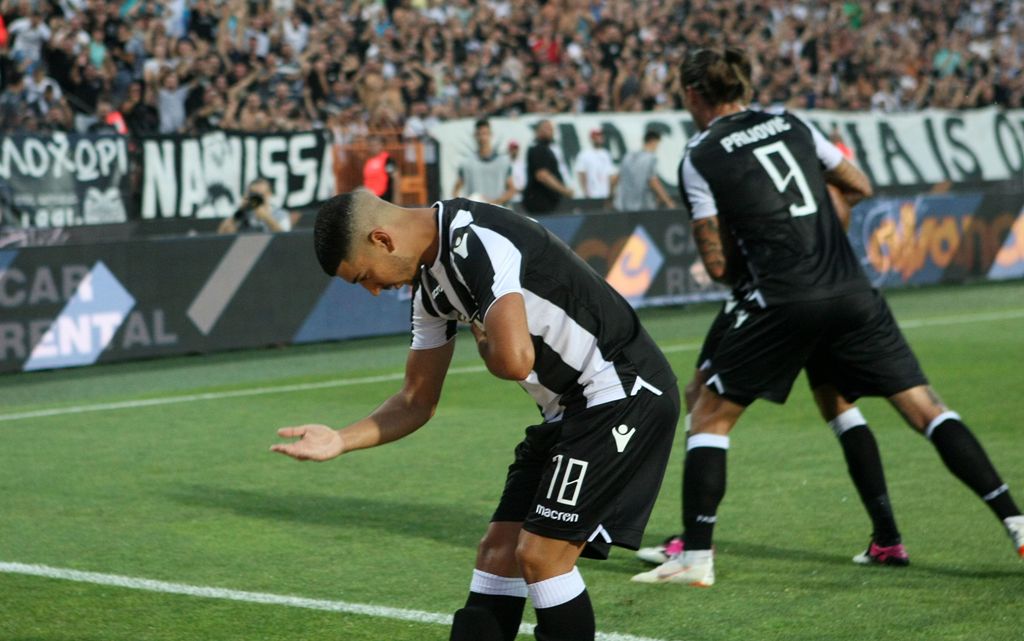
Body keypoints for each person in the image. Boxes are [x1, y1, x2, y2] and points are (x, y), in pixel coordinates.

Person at [632, 46, 1023, 587]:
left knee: (707, 413)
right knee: (919, 409)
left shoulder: (700, 155)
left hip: (780, 297)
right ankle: (1009, 523)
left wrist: (759, 244)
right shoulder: (792, 123)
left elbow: (718, 266)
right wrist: (819, 225)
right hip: (849, 288)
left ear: (693, 94)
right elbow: (858, 185)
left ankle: (695, 556)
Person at [272, 189, 680, 641]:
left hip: (623, 392)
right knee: (497, 553)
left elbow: (515, 361)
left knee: (541, 556)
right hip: (569, 410)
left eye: (364, 276)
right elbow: (416, 401)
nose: (372, 290)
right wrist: (340, 439)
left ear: (382, 239)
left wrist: (484, 340)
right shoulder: (430, 290)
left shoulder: (476, 237)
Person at [451, 119, 517, 206]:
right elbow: (455, 190)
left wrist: (494, 202)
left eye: (485, 133)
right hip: (475, 210)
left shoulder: (503, 161)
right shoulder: (466, 162)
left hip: (497, 209)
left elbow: (511, 190)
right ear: (474, 136)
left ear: (491, 135)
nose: (482, 137)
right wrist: (465, 204)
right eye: (479, 134)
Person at [611, 130, 676, 212]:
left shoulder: (628, 157)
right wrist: (668, 201)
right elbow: (653, 182)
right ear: (653, 141)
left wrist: (610, 197)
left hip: (624, 206)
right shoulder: (651, 158)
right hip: (643, 206)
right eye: (658, 144)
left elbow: (615, 178)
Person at [522, 119, 574, 215]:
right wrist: (564, 191)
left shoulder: (547, 149)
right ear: (538, 131)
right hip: (540, 203)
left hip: (546, 203)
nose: (551, 131)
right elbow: (542, 176)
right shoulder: (538, 149)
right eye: (547, 128)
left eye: (552, 129)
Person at [217, 179, 293, 234]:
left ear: (269, 194)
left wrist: (266, 217)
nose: (257, 198)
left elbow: (284, 237)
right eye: (253, 194)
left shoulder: (281, 214)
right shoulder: (243, 214)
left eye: (260, 195)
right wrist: (240, 210)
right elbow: (222, 233)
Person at [574, 128, 615, 201]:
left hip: (605, 194)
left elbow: (610, 175)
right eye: (597, 135)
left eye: (601, 135)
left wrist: (610, 193)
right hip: (592, 195)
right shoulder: (584, 154)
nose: (599, 137)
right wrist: (586, 193)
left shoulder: (606, 154)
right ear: (592, 138)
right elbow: (582, 174)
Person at [362, 135, 398, 202]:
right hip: (370, 198)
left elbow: (395, 178)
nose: (373, 148)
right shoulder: (369, 160)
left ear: (382, 145)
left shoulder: (387, 160)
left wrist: (396, 198)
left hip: (383, 199)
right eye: (370, 145)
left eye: (375, 145)